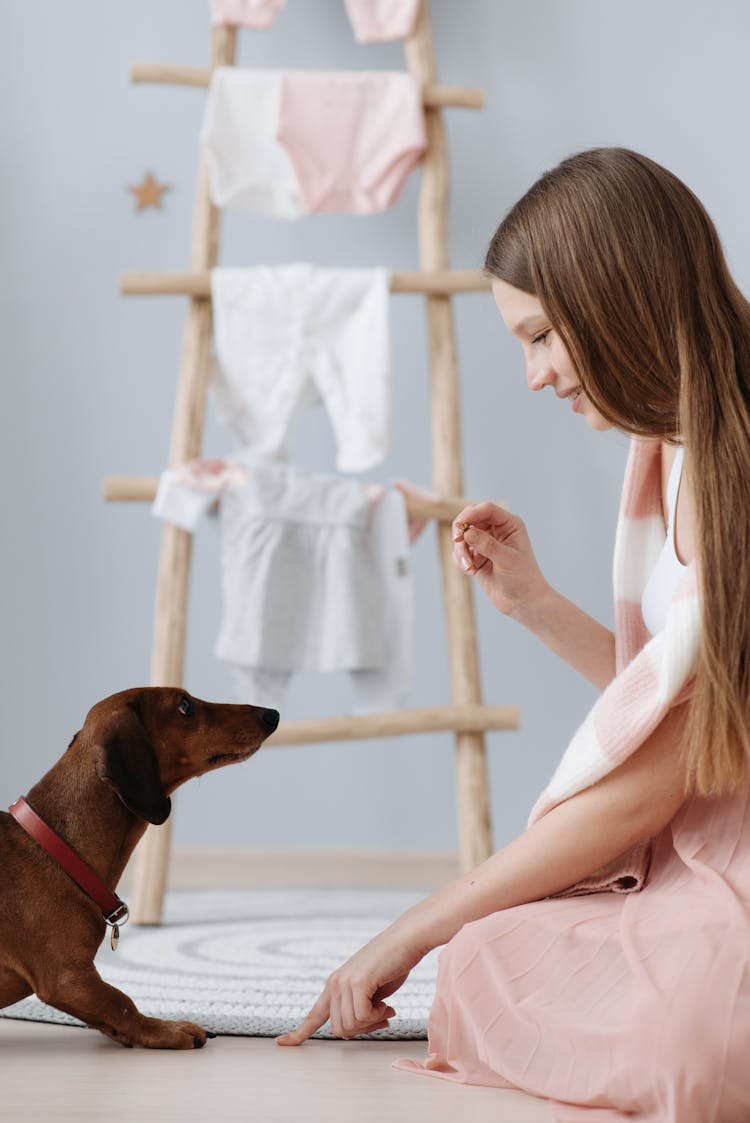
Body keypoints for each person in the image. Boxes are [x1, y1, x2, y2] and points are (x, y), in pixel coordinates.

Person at [277, 148, 750, 1122]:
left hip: (717, 845)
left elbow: (650, 782)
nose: (535, 376)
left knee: (683, 1044)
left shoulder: (722, 463)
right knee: (487, 961)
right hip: (696, 831)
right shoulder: (666, 445)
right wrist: (533, 602)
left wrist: (407, 928)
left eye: (540, 336)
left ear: (614, 294)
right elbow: (684, 704)